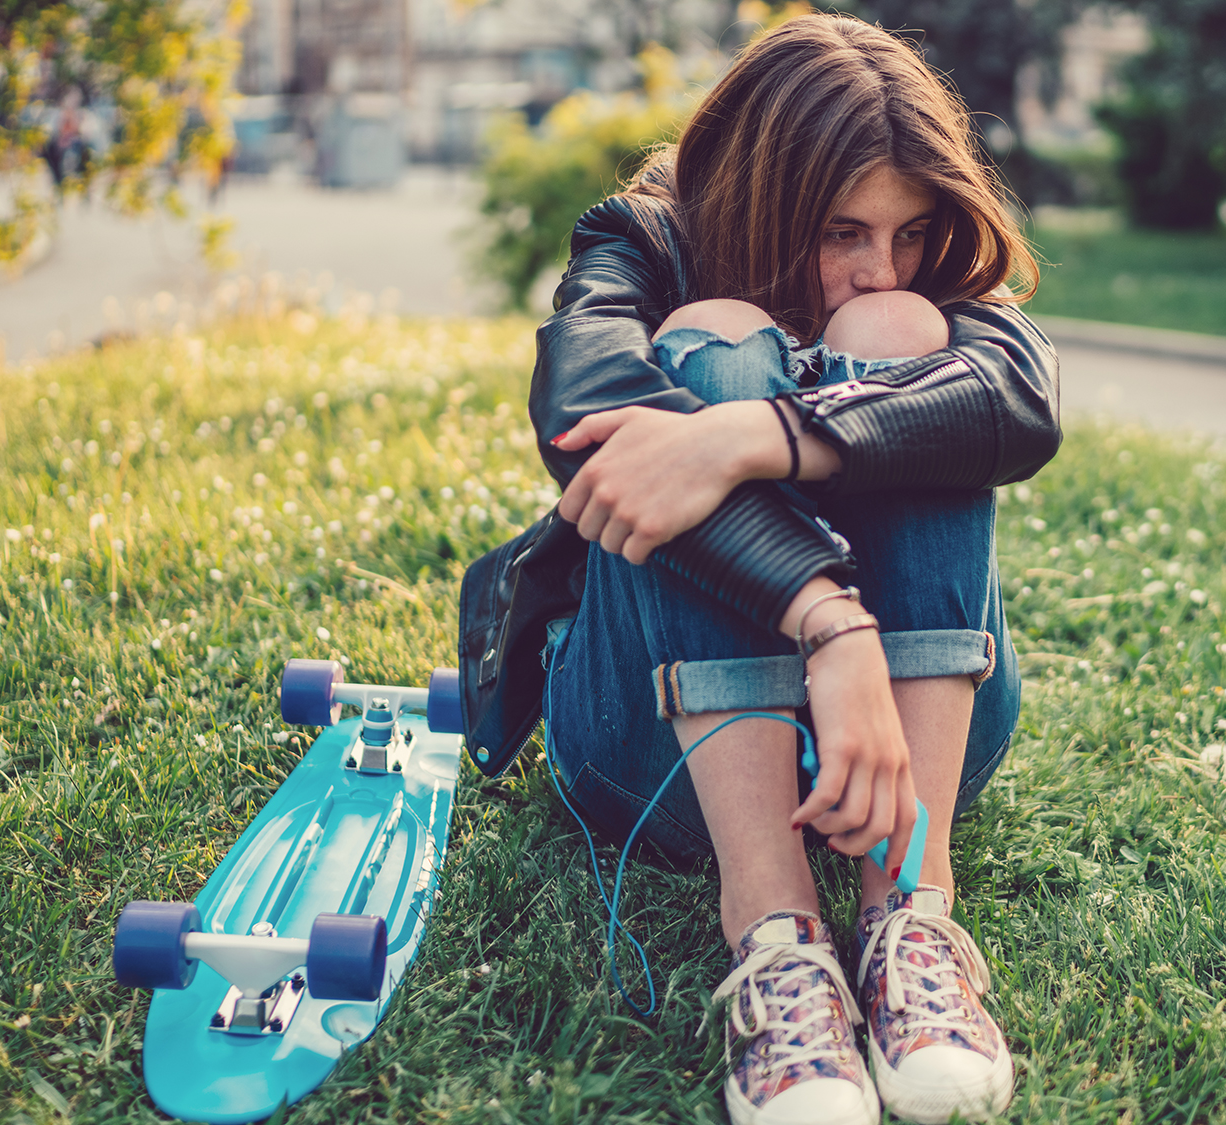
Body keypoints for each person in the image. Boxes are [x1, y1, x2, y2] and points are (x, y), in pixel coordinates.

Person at [528, 14, 1059, 1125]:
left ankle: (907, 916)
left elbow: (1018, 401)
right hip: (654, 752)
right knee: (716, 340)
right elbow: (589, 420)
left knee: (906, 334)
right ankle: (773, 939)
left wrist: (753, 437)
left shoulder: (919, 282)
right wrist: (828, 620)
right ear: (759, 202)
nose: (879, 262)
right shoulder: (636, 245)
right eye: (839, 231)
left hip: (918, 752)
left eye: (910, 229)